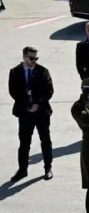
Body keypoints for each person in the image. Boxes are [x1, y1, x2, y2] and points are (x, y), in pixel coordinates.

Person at [9, 46, 54, 183]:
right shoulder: (15, 72)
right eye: (31, 58)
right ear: (24, 57)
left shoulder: (42, 71)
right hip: (25, 113)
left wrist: (37, 104)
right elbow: (14, 92)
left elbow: (49, 91)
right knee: (24, 143)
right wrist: (28, 106)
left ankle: (48, 168)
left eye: (36, 58)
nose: (34, 61)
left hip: (41, 113)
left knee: (45, 141)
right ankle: (22, 170)